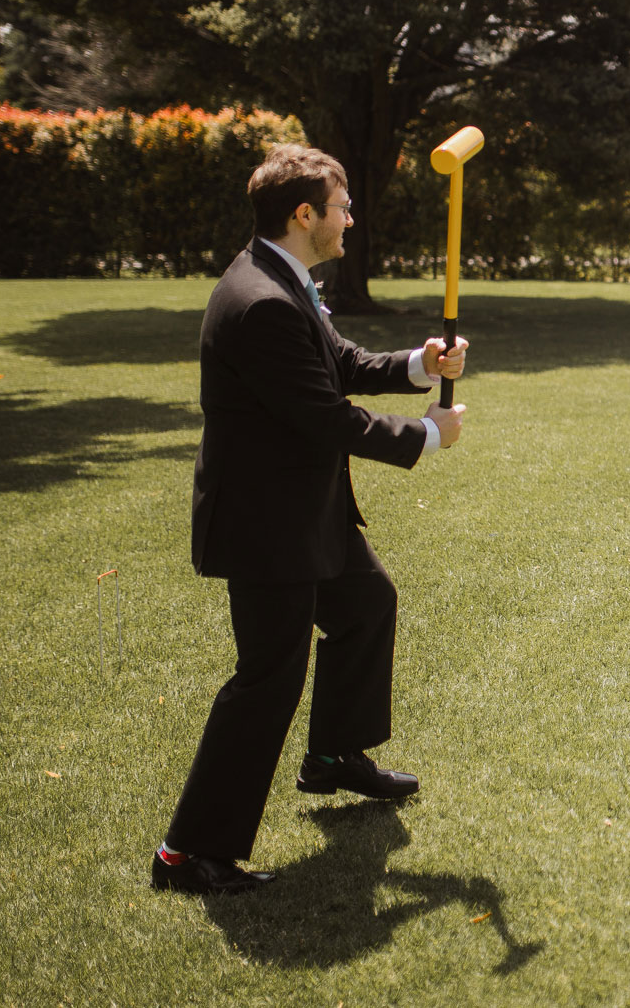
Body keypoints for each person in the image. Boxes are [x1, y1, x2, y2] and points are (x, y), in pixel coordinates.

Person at [152, 144, 470, 895]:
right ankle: (186, 852)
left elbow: (341, 362)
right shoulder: (260, 300)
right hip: (267, 524)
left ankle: (334, 756)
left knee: (366, 603)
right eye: (342, 205)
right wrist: (426, 433)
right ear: (305, 215)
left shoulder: (282, 279)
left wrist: (421, 362)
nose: (350, 218)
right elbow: (325, 415)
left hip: (305, 511)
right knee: (267, 680)